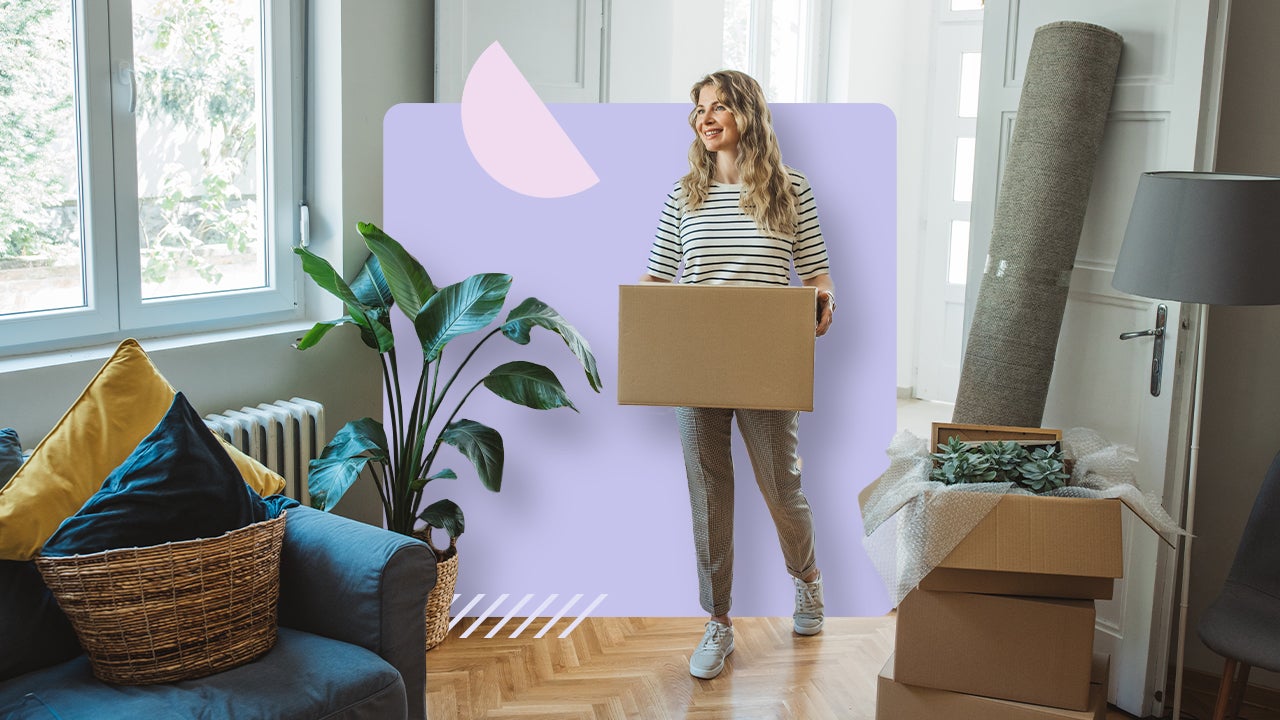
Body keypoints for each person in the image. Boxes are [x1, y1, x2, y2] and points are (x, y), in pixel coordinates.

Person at [639, 69, 836, 680]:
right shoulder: (683, 195)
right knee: (709, 492)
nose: (707, 117)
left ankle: (807, 580)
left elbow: (818, 277)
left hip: (766, 361)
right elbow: (658, 277)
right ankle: (718, 623)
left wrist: (824, 305)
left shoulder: (790, 190)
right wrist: (633, 314)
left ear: (749, 112)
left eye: (720, 106)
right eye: (700, 109)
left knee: (780, 486)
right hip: (696, 360)